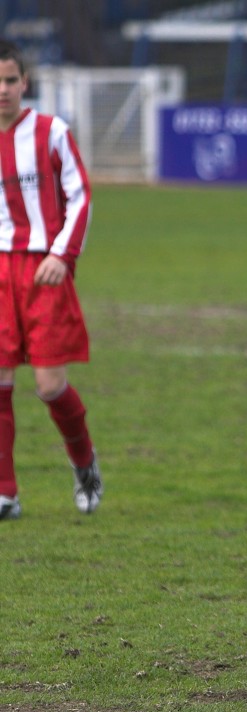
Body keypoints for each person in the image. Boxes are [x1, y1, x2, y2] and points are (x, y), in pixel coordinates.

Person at [0, 38, 102, 521]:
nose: (2, 90)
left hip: (43, 268)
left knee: (48, 385)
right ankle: (5, 492)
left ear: (25, 82)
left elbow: (80, 196)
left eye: (10, 80)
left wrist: (63, 253)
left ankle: (84, 463)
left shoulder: (50, 131)